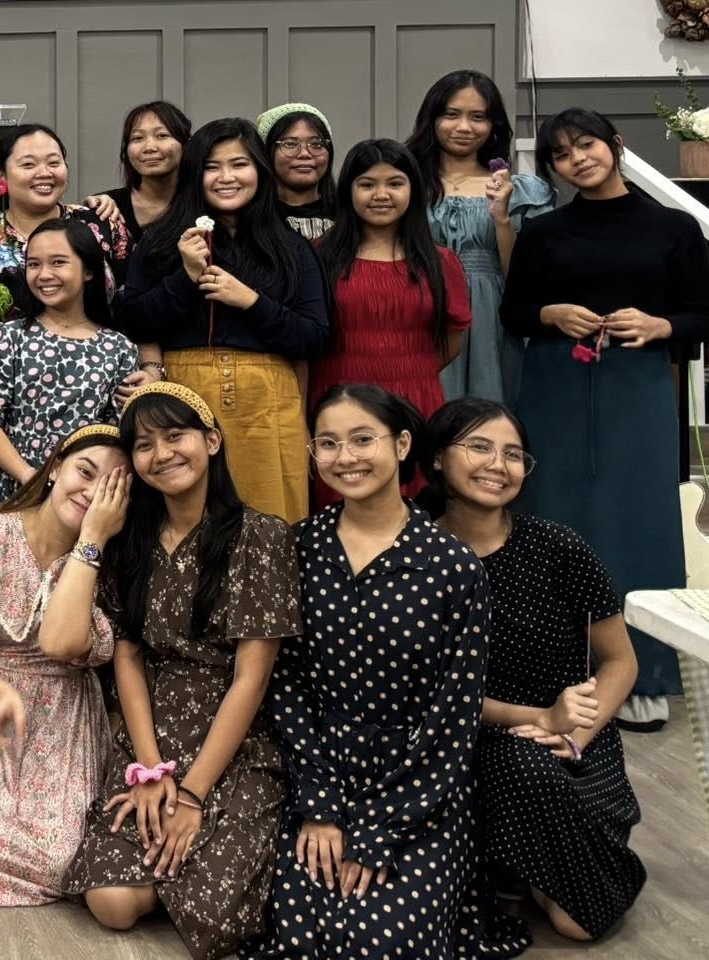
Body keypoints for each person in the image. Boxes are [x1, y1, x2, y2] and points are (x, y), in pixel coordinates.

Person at [248, 384, 524, 960]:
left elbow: (455, 714)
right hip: (321, 771)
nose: (345, 457)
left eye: (361, 439)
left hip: (421, 788)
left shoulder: (452, 565)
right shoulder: (298, 547)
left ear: (401, 445)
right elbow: (286, 687)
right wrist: (319, 807)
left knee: (384, 943)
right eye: (328, 443)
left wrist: (380, 827)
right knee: (303, 938)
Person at [71, 384, 300, 959]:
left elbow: (251, 678)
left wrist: (193, 793)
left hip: (234, 736)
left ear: (212, 441)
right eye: (144, 445)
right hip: (151, 725)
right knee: (112, 903)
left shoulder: (262, 536)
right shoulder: (132, 540)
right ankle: (161, 877)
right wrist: (149, 768)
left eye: (176, 436)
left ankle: (187, 868)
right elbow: (126, 654)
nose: (162, 454)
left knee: (217, 917)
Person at [500, 106, 709, 725]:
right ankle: (553, 671)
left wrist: (661, 324)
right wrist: (550, 314)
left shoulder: (673, 227)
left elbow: (703, 311)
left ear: (615, 144)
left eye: (586, 145)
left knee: (640, 518)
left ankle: (643, 672)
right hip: (555, 384)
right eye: (561, 154)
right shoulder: (544, 232)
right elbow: (515, 311)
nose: (577, 160)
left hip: (637, 385)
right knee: (552, 514)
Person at [421, 397, 645, 943]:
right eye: (479, 447)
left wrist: (574, 733)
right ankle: (513, 866)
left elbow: (620, 661)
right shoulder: (417, 556)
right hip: (463, 740)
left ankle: (519, 868)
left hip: (571, 741)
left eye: (513, 454)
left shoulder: (559, 548)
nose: (498, 465)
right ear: (437, 458)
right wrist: (537, 719)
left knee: (576, 918)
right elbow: (424, 693)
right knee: (515, 764)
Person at [0, 422, 128, 906]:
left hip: (63, 717)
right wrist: (0, 695)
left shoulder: (115, 562)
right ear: (54, 469)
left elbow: (71, 644)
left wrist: (93, 540)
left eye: (111, 489)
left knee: (64, 856)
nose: (92, 493)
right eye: (85, 472)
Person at [116, 117, 329, 524]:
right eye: (212, 167)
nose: (226, 177)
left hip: (268, 403)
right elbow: (134, 321)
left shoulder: (291, 248)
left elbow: (314, 337)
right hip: (183, 396)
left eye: (239, 164)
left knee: (272, 524)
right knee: (187, 523)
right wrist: (185, 277)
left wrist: (251, 301)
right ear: (194, 175)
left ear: (260, 171)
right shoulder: (162, 241)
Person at [308, 139, 470, 501]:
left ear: (414, 188)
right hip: (336, 403)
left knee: (414, 510)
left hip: (415, 403)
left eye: (395, 183)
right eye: (367, 184)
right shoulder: (319, 257)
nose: (381, 195)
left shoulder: (440, 262)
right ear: (348, 190)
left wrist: (409, 370)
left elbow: (453, 340)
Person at [0, 218, 139, 517]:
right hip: (4, 492)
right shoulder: (8, 336)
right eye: (34, 264)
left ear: (89, 270)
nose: (44, 274)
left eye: (58, 262)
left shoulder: (119, 349)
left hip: (80, 501)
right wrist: (29, 476)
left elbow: (114, 436)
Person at [406, 70, 554, 405]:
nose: (464, 127)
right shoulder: (405, 184)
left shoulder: (520, 190)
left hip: (493, 317)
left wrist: (501, 219)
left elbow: (525, 278)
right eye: (451, 114)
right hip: (422, 310)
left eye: (478, 117)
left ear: (493, 125)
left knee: (492, 411)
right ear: (432, 119)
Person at [0, 123, 129, 319]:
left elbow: (134, 298)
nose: (45, 173)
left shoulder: (103, 223)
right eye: (28, 164)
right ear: (1, 175)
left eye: (54, 163)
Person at [98, 100, 193, 234]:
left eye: (162, 135)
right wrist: (84, 212)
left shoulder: (203, 204)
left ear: (185, 144)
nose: (149, 147)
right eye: (137, 138)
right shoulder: (107, 207)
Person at [258, 103, 338, 241]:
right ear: (267, 153)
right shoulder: (250, 218)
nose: (304, 154)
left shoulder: (349, 215)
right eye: (290, 144)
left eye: (316, 144)